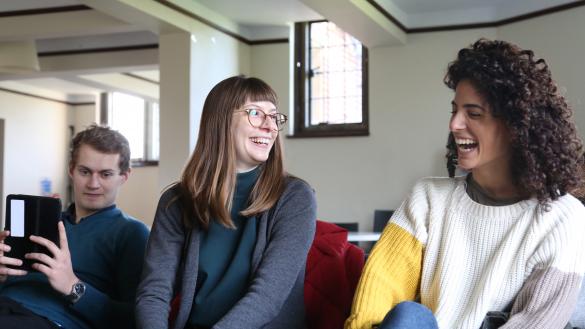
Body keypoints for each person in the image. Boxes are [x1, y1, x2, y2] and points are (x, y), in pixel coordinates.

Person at [345, 38, 585, 329]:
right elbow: (379, 292)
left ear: (516, 127)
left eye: (473, 113)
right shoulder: (428, 197)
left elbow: (537, 322)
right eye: (454, 110)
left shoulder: (563, 217)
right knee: (410, 316)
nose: (454, 124)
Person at [135, 75, 317, 329]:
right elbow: (154, 291)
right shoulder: (175, 202)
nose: (270, 126)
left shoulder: (296, 197)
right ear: (220, 122)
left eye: (274, 116)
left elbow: (267, 297)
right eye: (255, 113)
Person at [0, 124, 150, 329]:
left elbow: (135, 318)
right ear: (71, 170)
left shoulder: (132, 233)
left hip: (47, 320)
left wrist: (73, 285)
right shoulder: (43, 222)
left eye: (105, 174)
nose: (93, 184)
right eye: (85, 171)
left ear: (124, 176)